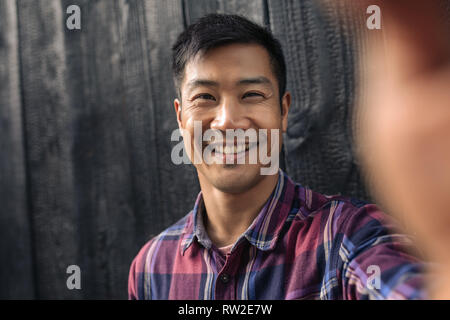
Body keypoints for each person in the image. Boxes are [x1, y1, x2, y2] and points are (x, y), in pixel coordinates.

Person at [128, 13, 426, 300]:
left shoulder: (348, 237)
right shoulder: (150, 269)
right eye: (205, 97)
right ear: (181, 118)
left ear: (283, 111)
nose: (228, 121)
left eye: (252, 95)